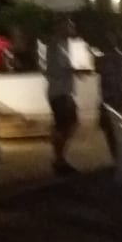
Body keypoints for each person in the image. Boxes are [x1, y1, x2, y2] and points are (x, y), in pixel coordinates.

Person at [45, 19, 80, 175]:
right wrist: (78, 68)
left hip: (62, 91)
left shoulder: (60, 44)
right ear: (62, 28)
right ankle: (59, 160)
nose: (73, 29)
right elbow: (63, 67)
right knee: (65, 125)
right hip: (60, 92)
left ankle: (59, 158)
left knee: (68, 124)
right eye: (70, 26)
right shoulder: (58, 45)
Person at [96, 35, 122, 158]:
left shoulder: (103, 59)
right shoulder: (121, 58)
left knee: (111, 129)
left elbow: (97, 71)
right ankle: (120, 155)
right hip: (117, 97)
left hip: (111, 98)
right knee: (118, 127)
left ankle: (117, 154)